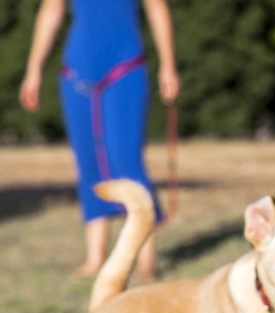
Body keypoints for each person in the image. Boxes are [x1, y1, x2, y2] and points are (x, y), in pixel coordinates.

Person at [19, 0, 179, 279]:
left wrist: (168, 65)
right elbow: (51, 10)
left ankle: (145, 258)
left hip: (126, 68)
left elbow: (156, 8)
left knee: (125, 158)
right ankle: (95, 257)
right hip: (75, 73)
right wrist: (34, 70)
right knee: (87, 161)